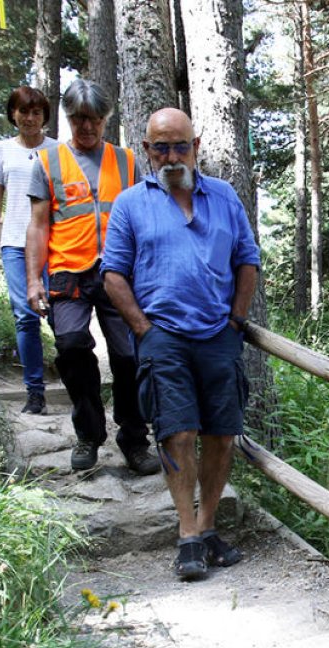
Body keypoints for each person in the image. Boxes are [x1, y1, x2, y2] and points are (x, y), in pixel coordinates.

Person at [103, 108, 260, 581]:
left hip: (218, 335)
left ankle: (208, 527)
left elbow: (247, 261)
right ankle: (187, 534)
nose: (171, 156)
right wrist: (143, 329)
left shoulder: (224, 196)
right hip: (163, 337)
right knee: (178, 434)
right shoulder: (130, 204)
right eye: (161, 147)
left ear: (195, 146)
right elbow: (113, 275)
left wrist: (236, 321)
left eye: (179, 146)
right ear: (147, 150)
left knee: (222, 434)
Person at [25, 79, 158, 476]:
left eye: (94, 120)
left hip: (118, 272)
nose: (86, 127)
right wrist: (33, 281)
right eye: (78, 119)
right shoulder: (47, 162)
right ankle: (88, 434)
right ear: (67, 118)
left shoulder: (126, 160)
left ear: (105, 119)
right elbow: (37, 226)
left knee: (129, 356)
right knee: (70, 347)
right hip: (68, 271)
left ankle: (134, 439)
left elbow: (143, 220)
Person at [0, 86, 58, 414]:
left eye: (36, 112)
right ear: (13, 114)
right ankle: (35, 392)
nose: (30, 118)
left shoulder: (58, 150)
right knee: (25, 317)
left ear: (44, 116)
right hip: (14, 242)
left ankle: (77, 383)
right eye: (23, 111)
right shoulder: (1, 150)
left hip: (53, 244)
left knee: (60, 314)